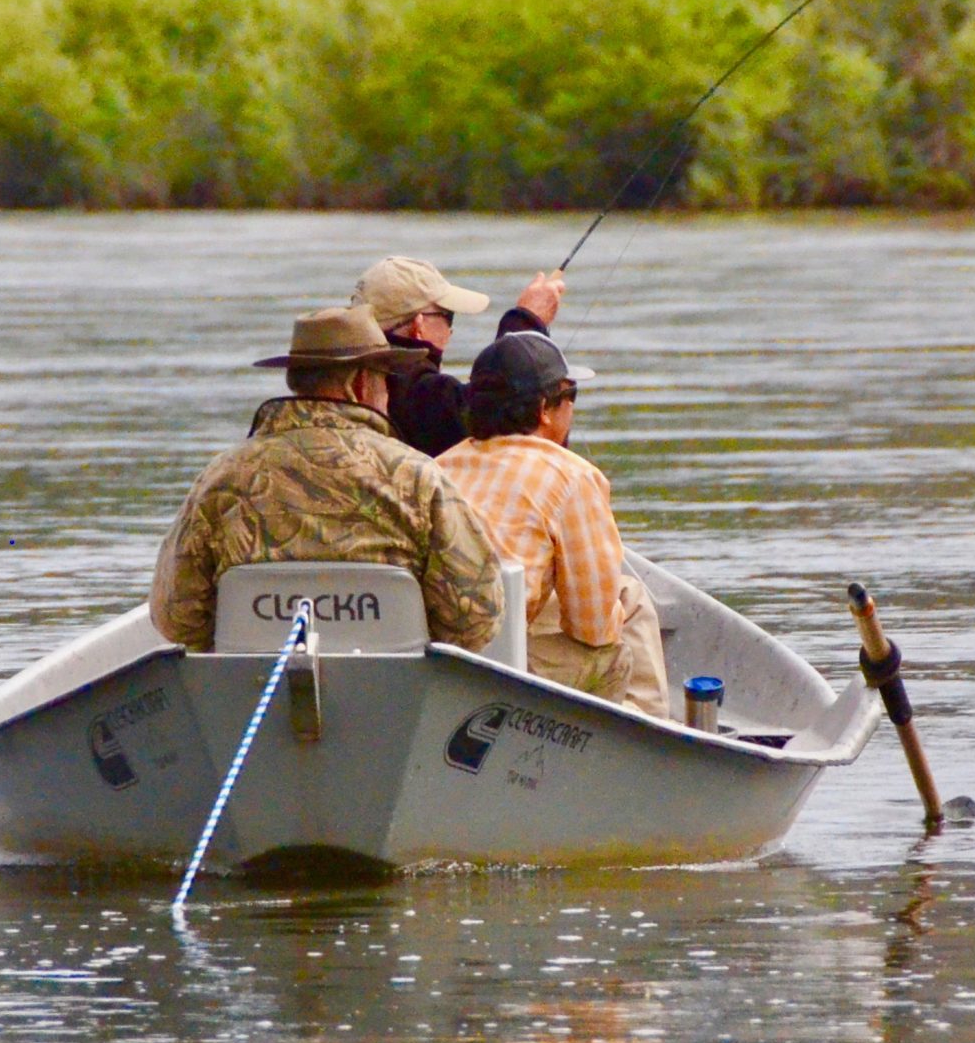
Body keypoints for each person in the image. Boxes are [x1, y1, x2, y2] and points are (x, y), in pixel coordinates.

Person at [151, 307, 505, 652]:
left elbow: (175, 618)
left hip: (251, 688)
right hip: (398, 693)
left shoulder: (222, 477)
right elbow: (476, 618)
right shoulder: (417, 478)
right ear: (361, 384)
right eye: (385, 381)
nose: (387, 395)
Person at [437, 332, 669, 719]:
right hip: (498, 667)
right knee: (624, 612)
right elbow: (592, 627)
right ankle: (651, 729)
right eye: (571, 397)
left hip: (437, 657)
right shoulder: (572, 476)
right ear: (545, 409)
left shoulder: (438, 466)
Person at [352, 255, 565, 459]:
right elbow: (498, 412)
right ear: (419, 326)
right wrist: (527, 322)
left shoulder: (342, 377)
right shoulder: (419, 395)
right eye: (448, 317)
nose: (450, 332)